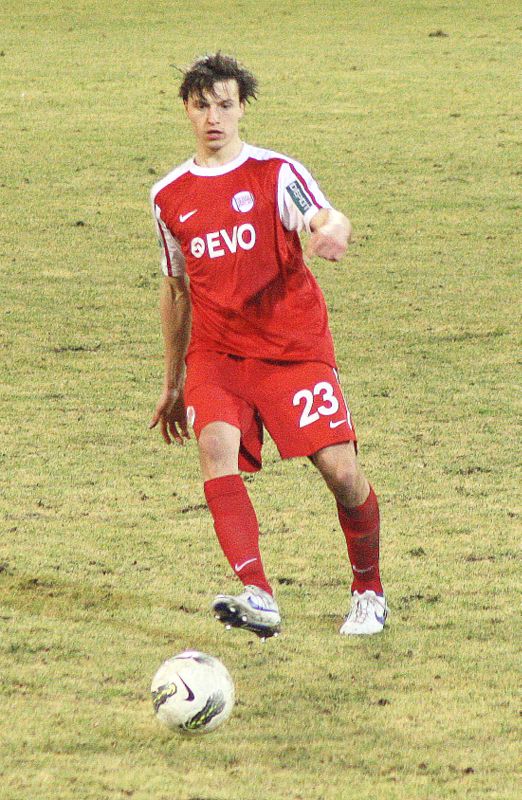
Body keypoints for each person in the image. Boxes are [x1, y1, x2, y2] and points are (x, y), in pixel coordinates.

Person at [149, 53, 388, 639]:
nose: (213, 118)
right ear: (187, 110)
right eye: (202, 106)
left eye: (224, 105)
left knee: (341, 472)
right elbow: (177, 290)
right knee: (216, 450)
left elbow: (322, 216)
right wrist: (174, 383)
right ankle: (258, 593)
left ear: (241, 108)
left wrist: (333, 232)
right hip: (217, 353)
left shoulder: (276, 174)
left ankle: (368, 590)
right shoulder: (168, 196)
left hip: (291, 348)